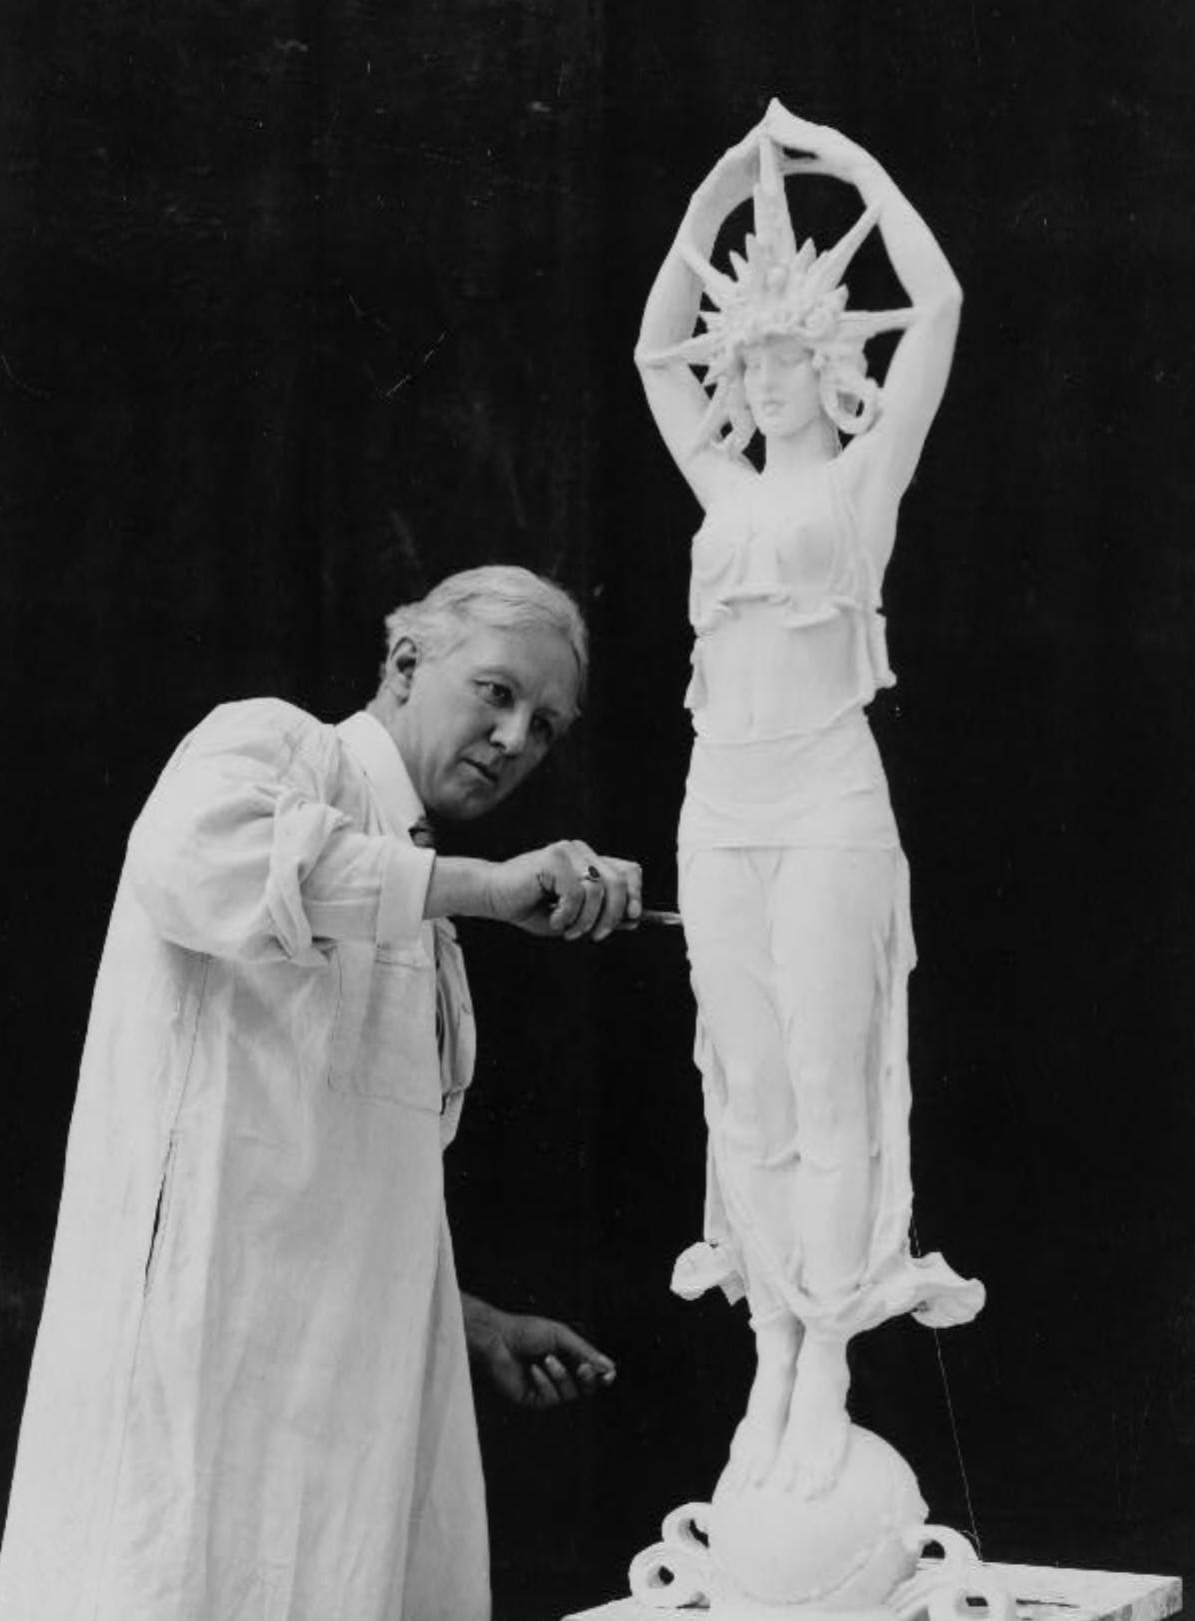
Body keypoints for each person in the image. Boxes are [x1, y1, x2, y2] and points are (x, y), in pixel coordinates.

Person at [0, 564, 642, 1621]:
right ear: (406, 662)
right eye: (497, 692)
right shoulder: (278, 749)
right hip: (205, 1398)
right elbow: (191, 857)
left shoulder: (419, 901)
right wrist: (482, 886)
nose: (516, 737)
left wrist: (467, 1321)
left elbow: (341, 1182)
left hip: (344, 1427)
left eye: (547, 726)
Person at [634, 101, 984, 1499]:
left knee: (833, 1082)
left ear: (828, 362)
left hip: (830, 796)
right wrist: (714, 195)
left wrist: (853, 166)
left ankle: (828, 1352)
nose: (763, 376)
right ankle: (771, 1346)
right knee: (748, 1084)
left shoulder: (861, 481)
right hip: (719, 803)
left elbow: (939, 303)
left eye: (787, 354)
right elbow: (656, 351)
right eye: (750, 356)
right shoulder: (718, 484)